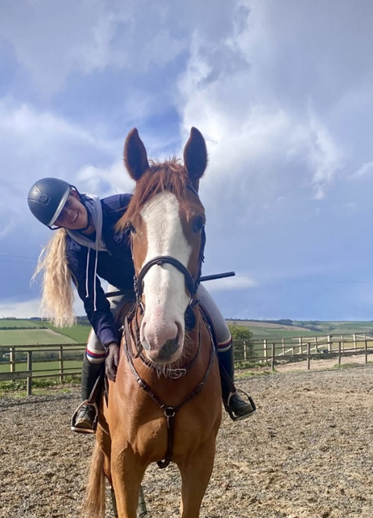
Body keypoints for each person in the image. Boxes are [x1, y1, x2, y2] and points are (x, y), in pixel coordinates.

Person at [28, 177, 255, 432]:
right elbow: (93, 300)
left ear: (75, 193)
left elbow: (172, 227)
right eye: (59, 216)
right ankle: (89, 404)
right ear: (55, 225)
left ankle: (230, 394)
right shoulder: (74, 250)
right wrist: (111, 341)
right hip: (122, 291)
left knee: (221, 331)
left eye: (68, 204)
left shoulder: (122, 205)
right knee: (94, 345)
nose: (69, 214)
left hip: (169, 280)